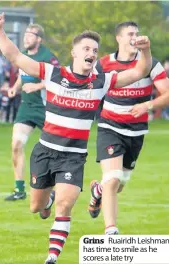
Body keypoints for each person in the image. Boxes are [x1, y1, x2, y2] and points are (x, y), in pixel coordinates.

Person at [0, 13, 152, 264]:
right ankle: (47, 199)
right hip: (45, 152)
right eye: (86, 48)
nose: (92, 53)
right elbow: (15, 57)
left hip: (73, 158)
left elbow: (141, 70)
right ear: (74, 53)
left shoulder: (101, 81)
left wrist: (147, 50)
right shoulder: (53, 73)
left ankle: (52, 257)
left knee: (65, 205)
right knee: (37, 208)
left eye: (95, 50)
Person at [87, 21, 169, 235]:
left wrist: (147, 105)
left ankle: (98, 191)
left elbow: (167, 94)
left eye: (137, 33)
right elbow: (88, 89)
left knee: (119, 184)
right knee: (113, 179)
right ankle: (111, 230)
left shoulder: (151, 64)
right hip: (110, 127)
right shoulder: (103, 64)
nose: (135, 37)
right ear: (119, 38)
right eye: (130, 34)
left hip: (136, 132)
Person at [5, 24, 60, 201]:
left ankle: (57, 187)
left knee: (55, 149)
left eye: (31, 35)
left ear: (39, 39)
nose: (26, 37)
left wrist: (37, 85)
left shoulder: (48, 57)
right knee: (16, 145)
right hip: (27, 108)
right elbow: (23, 75)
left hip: (46, 109)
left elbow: (59, 79)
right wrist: (15, 87)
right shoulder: (23, 55)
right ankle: (19, 190)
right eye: (25, 34)